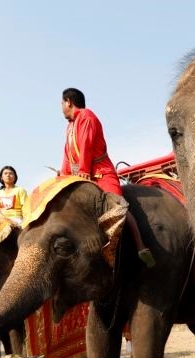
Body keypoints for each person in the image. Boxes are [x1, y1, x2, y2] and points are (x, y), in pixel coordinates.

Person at [60, 88, 155, 268]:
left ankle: (141, 247)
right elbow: (67, 155)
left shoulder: (86, 116)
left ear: (68, 102)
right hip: (80, 175)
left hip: (100, 173)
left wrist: (84, 171)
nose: (61, 107)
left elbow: (86, 145)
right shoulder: (69, 126)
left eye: (61, 103)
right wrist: (63, 178)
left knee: (117, 206)